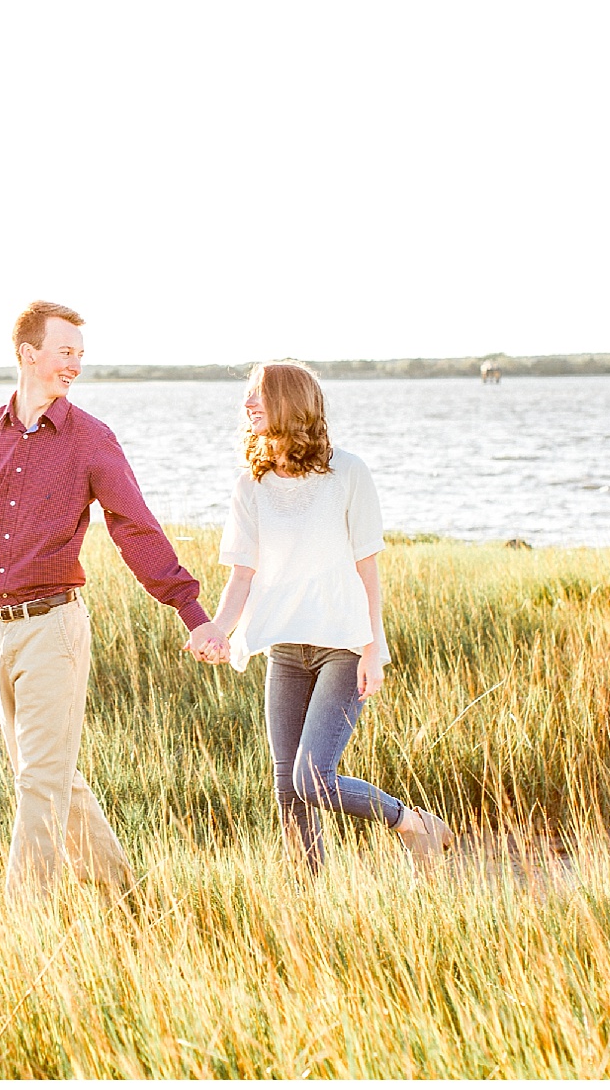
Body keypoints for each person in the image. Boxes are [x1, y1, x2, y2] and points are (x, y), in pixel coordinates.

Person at [0, 300, 229, 897]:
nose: (75, 364)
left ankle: (25, 924)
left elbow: (135, 527)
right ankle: (125, 898)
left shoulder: (89, 439)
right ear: (29, 354)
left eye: (81, 353)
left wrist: (192, 612)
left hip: (54, 628)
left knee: (37, 787)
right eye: (65, 352)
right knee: (48, 777)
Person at [204, 361, 454, 871]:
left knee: (313, 777)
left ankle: (413, 824)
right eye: (247, 396)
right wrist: (216, 628)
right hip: (285, 651)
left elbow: (368, 570)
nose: (248, 404)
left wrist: (372, 651)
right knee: (286, 784)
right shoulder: (249, 487)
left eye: (260, 395)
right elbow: (241, 577)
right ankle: (308, 894)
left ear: (292, 405)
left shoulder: (349, 473)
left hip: (343, 646)